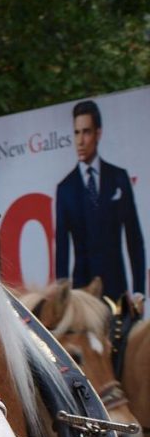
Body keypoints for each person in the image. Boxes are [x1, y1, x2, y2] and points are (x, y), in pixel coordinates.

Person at [55, 99, 145, 304]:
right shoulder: (65, 188)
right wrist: (62, 297)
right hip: (83, 294)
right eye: (76, 133)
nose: (80, 141)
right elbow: (62, 247)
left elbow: (134, 238)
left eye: (86, 132)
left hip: (118, 290)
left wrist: (139, 291)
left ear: (98, 133)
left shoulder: (118, 178)